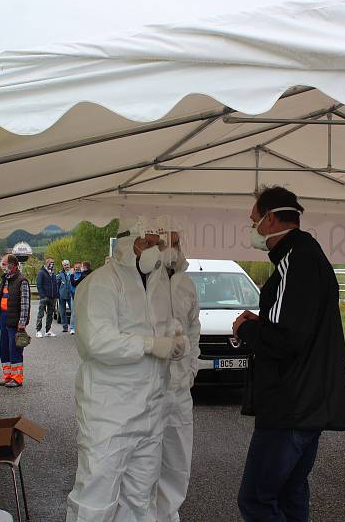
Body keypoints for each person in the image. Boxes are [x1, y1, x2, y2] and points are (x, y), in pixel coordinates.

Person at [232, 186, 345, 522]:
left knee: (256, 499)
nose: (252, 228)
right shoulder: (308, 255)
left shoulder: (294, 260)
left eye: (253, 220)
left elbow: (284, 339)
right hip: (307, 402)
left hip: (289, 405)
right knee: (290, 491)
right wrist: (264, 320)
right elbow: (300, 323)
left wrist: (245, 328)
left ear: (271, 219)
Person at [66, 216, 186, 522]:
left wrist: (173, 338)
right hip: (109, 415)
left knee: (140, 500)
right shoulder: (100, 283)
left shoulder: (158, 285)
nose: (155, 251)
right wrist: (149, 344)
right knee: (96, 500)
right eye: (147, 243)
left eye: (157, 245)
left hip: (149, 412)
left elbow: (159, 326)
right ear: (126, 243)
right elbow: (97, 340)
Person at [154, 223, 201, 522]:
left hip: (180, 389)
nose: (173, 247)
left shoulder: (186, 284)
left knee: (177, 463)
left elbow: (195, 329)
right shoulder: (142, 281)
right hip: (148, 388)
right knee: (143, 463)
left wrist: (192, 368)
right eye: (166, 242)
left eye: (177, 241)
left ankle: (169, 516)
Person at [0, 254, 30, 387]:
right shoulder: (6, 279)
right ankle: (7, 376)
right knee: (4, 348)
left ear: (12, 266)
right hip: (3, 317)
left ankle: (17, 378)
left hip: (15, 320)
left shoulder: (22, 280)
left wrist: (22, 322)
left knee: (15, 348)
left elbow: (25, 304)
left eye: (3, 264)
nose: (2, 267)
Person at [36, 257, 58, 338]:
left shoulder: (53, 273)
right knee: (41, 314)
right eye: (51, 262)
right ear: (47, 263)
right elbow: (39, 284)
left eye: (53, 262)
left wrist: (56, 294)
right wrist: (42, 295)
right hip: (44, 297)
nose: (52, 264)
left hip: (53, 297)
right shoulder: (41, 272)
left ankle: (48, 330)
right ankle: (38, 331)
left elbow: (55, 284)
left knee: (50, 314)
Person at [57, 260, 75, 334]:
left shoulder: (73, 272)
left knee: (73, 311)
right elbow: (57, 284)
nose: (66, 266)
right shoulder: (60, 274)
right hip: (62, 295)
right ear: (63, 266)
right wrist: (57, 294)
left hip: (71, 295)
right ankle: (65, 327)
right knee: (62, 312)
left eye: (67, 264)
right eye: (65, 265)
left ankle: (73, 327)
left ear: (69, 264)